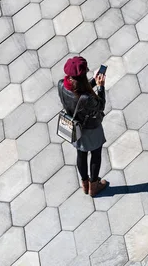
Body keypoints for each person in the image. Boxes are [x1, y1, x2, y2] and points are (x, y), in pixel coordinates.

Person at [58, 56, 108, 197]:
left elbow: (78, 91)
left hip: (75, 128)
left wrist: (92, 81)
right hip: (91, 128)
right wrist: (100, 86)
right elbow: (100, 105)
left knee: (81, 153)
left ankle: (85, 185)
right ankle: (94, 186)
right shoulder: (87, 98)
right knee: (96, 154)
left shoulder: (61, 84)